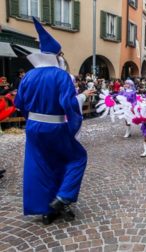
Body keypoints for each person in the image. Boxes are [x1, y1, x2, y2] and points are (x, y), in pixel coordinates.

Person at [14, 17, 90, 225]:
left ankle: (47, 209)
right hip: (55, 126)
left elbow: (19, 102)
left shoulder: (28, 76)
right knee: (77, 157)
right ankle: (63, 196)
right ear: (57, 56)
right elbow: (69, 105)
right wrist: (81, 103)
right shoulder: (60, 75)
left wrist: (32, 120)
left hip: (33, 127)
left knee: (41, 165)